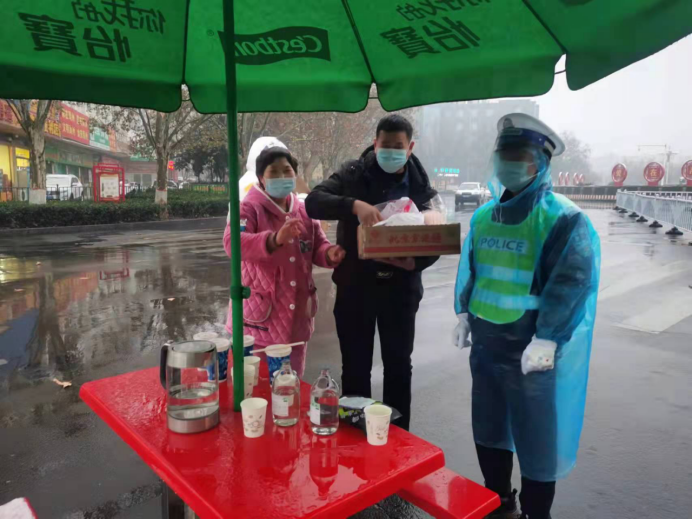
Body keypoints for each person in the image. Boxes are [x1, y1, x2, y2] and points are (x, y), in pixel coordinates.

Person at [453, 113, 601, 519]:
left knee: (536, 439)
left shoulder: (562, 218)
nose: (509, 163)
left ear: (540, 164)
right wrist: (463, 313)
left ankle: (537, 513)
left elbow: (572, 282)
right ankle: (500, 501)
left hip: (531, 349)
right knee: (488, 429)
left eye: (520, 156)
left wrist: (549, 337)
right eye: (504, 154)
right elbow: (473, 269)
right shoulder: (484, 216)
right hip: (486, 346)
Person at [305, 114, 439, 431]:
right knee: (355, 368)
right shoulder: (353, 174)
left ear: (410, 148)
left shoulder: (421, 187)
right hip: (356, 289)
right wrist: (355, 205)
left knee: (398, 368)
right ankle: (356, 439)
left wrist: (415, 262)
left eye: (398, 146)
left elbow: (434, 239)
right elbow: (314, 202)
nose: (391, 151)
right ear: (375, 144)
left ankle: (399, 439)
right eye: (385, 144)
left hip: (401, 291)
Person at [224, 146, 346, 377]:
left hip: (296, 322)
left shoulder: (304, 210)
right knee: (257, 386)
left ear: (295, 174)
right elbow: (233, 243)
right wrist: (274, 239)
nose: (281, 177)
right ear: (261, 177)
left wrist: (329, 253)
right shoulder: (248, 208)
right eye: (273, 172)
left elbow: (316, 245)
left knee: (290, 386)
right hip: (259, 323)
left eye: (287, 171)